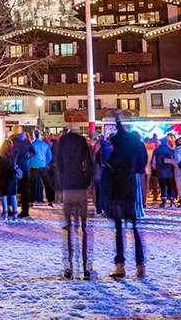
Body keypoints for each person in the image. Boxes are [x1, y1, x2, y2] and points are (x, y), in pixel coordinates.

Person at [104, 119, 148, 278]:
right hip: (130, 191)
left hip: (117, 193)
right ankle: (140, 264)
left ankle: (120, 265)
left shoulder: (115, 155)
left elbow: (108, 172)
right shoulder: (134, 152)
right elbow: (141, 165)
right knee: (135, 229)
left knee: (119, 230)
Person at [53, 123, 95, 279]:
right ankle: (85, 266)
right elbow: (88, 164)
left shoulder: (62, 141)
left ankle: (69, 265)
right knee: (84, 228)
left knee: (69, 228)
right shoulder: (81, 141)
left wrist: (60, 185)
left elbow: (59, 165)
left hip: (68, 187)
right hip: (80, 186)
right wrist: (86, 181)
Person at [0, 134, 22, 221]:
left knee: (4, 194)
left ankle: (5, 213)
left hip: (3, 173)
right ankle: (15, 214)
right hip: (12, 174)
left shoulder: (0, 153)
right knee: (13, 194)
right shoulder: (15, 152)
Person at [13, 131, 34, 217]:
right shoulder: (27, 141)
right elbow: (33, 152)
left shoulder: (13, 141)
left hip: (15, 168)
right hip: (25, 167)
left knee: (13, 189)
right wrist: (28, 156)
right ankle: (25, 210)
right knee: (24, 190)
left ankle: (12, 209)